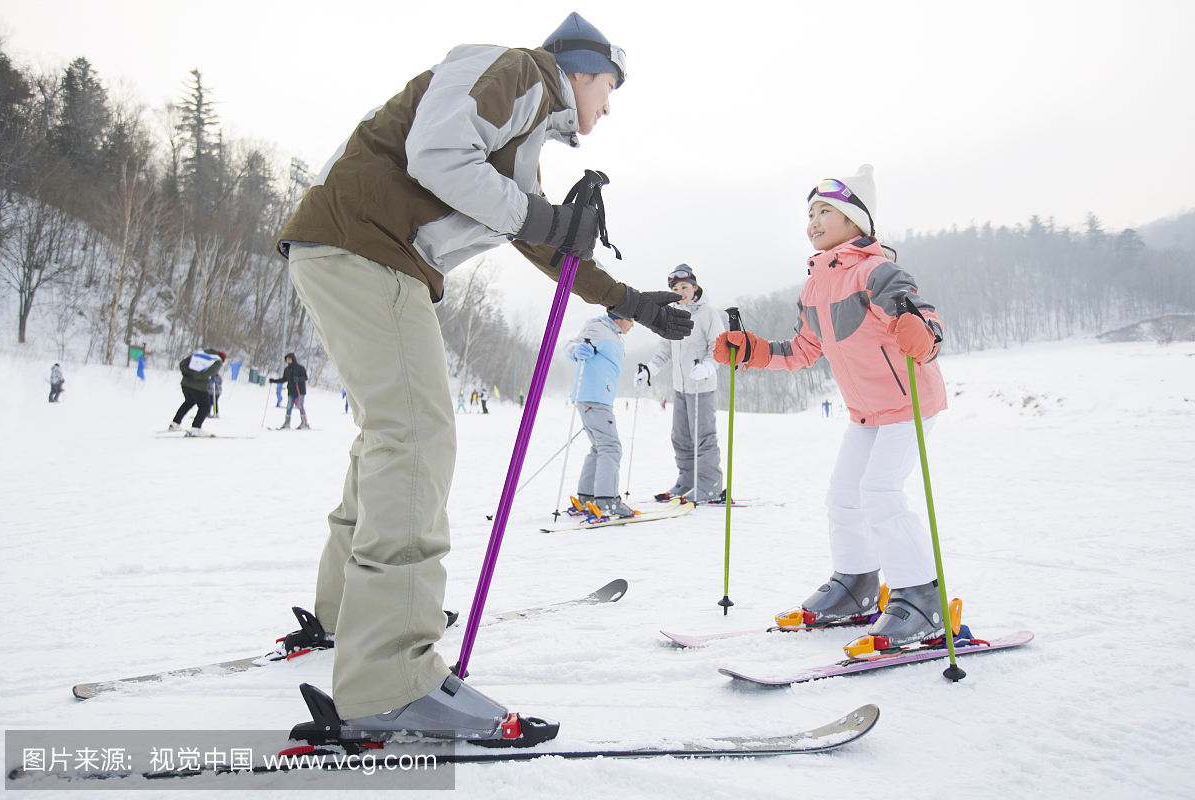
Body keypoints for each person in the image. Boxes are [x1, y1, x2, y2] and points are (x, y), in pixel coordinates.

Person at [272, 13, 691, 745]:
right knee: (417, 437)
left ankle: (351, 617)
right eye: (610, 87)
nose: (609, 105)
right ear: (582, 68)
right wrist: (544, 216)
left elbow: (534, 233)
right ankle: (388, 680)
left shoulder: (520, 129)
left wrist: (628, 301)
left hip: (348, 245)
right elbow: (440, 156)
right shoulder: (520, 73)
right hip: (369, 249)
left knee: (390, 435)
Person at [714, 165, 949, 648]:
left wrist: (922, 334)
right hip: (865, 412)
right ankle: (856, 586)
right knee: (844, 496)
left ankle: (921, 599)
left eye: (825, 211)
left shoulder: (878, 270)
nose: (814, 221)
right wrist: (752, 349)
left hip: (908, 404)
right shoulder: (814, 286)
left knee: (881, 493)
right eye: (810, 213)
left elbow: (922, 317)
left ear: (855, 220)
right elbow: (803, 350)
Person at [636, 265, 725, 503]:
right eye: (675, 288)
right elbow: (665, 348)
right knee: (681, 437)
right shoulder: (672, 313)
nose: (680, 292)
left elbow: (718, 347)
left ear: (695, 287)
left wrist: (707, 366)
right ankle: (688, 480)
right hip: (681, 388)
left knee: (703, 436)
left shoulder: (708, 313)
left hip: (702, 386)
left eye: (684, 287)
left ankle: (710, 485)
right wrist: (650, 369)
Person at [564, 312, 635, 518]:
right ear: (621, 317)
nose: (633, 324)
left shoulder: (611, 333)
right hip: (594, 397)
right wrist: (576, 351)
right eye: (631, 319)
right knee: (611, 447)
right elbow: (569, 346)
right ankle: (607, 501)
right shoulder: (599, 327)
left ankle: (588, 498)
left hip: (596, 397)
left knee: (599, 447)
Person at [170, 349, 225, 435]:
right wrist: (195, 376)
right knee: (205, 406)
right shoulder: (217, 360)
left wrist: (185, 372)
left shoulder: (199, 354)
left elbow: (183, 363)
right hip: (199, 386)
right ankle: (196, 428)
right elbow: (210, 372)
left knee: (189, 402)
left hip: (185, 383)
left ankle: (175, 424)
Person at [270, 353, 310, 429]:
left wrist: (298, 379)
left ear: (293, 359)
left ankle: (304, 422)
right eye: (287, 360)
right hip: (291, 391)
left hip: (300, 390)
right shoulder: (287, 370)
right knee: (289, 406)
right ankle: (287, 423)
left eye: (289, 359)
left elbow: (305, 377)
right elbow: (284, 379)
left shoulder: (300, 368)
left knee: (299, 405)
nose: (288, 361)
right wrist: (274, 381)